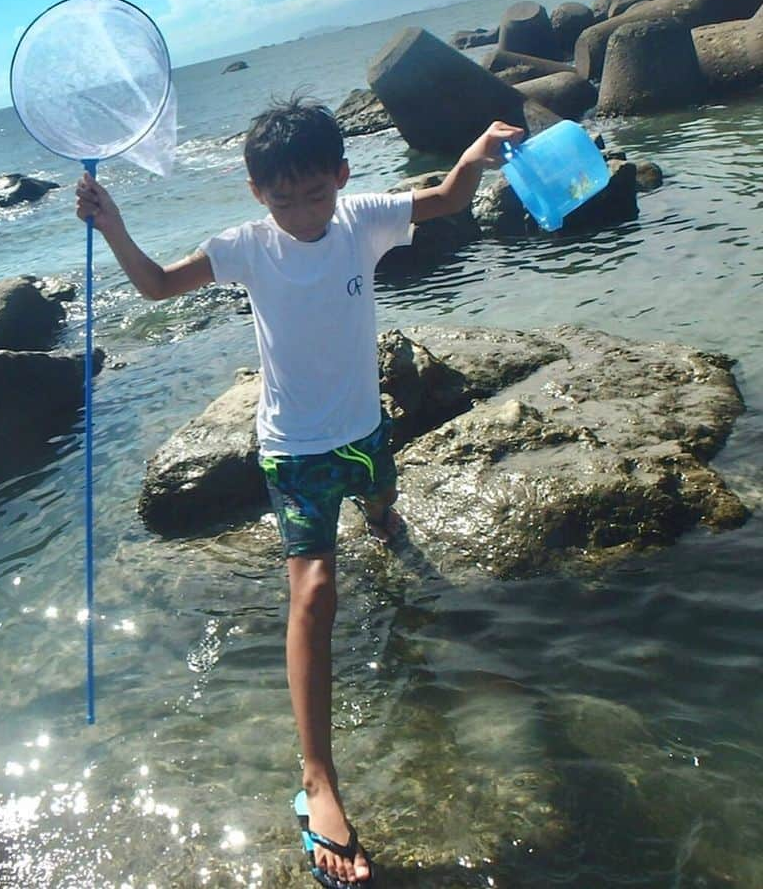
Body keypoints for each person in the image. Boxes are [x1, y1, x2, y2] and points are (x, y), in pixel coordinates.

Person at [76, 96, 523, 888]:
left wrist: (477, 151)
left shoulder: (362, 219)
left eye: (315, 193)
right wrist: (110, 224)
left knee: (382, 502)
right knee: (314, 590)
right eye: (283, 198)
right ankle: (318, 779)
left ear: (341, 179)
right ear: (258, 194)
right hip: (292, 452)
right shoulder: (246, 248)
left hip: (364, 431)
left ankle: (386, 520)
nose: (302, 212)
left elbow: (450, 199)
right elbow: (152, 286)